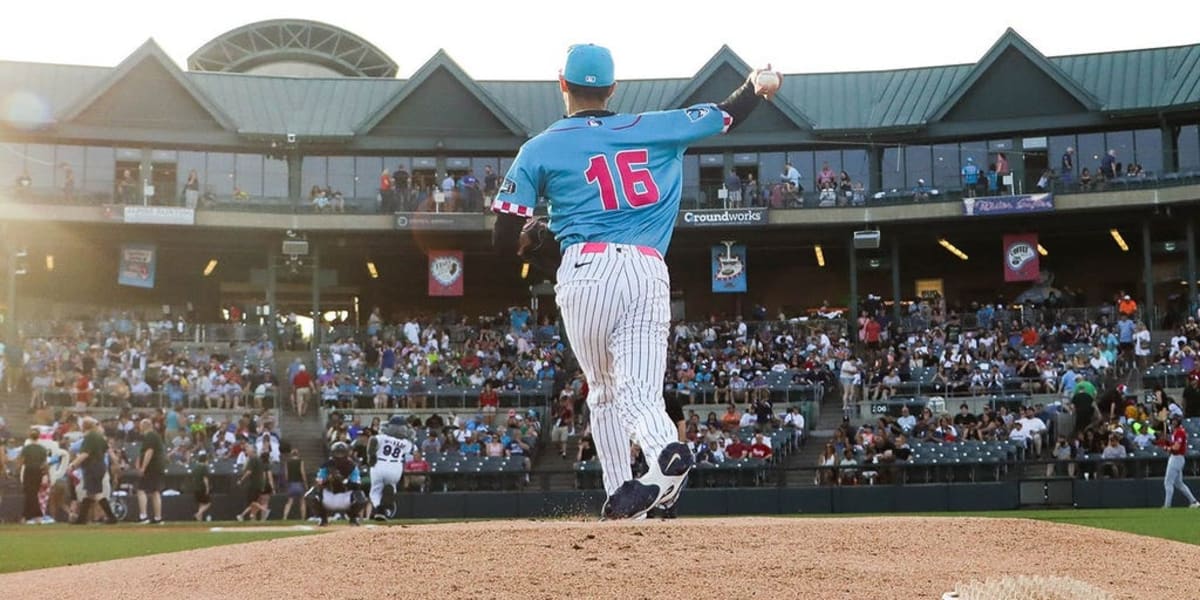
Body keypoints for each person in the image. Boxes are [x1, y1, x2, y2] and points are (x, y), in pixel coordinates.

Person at [491, 43, 778, 520]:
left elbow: (503, 235)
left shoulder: (539, 147)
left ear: (562, 84)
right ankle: (664, 458)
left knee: (602, 392)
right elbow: (728, 114)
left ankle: (621, 492)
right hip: (647, 268)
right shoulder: (657, 126)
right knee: (641, 393)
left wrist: (532, 244)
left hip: (586, 269)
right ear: (612, 89)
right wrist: (756, 84)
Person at [66, 417, 118, 524]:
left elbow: (85, 454)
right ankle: (82, 519)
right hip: (101, 466)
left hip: (92, 467)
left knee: (97, 493)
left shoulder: (89, 438)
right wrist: (115, 463)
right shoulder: (100, 437)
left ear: (84, 427)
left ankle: (111, 517)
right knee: (90, 493)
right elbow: (109, 452)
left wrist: (72, 465)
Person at [306, 441, 366, 526]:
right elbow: (318, 482)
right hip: (329, 496)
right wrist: (328, 479)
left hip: (345, 496)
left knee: (361, 496)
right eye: (337, 453)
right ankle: (323, 519)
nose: (339, 456)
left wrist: (344, 481)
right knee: (310, 495)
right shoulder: (326, 465)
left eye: (341, 453)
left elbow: (357, 485)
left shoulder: (352, 466)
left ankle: (353, 518)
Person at [368, 417, 413, 521]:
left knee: (375, 491)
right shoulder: (405, 442)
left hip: (379, 464)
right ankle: (386, 508)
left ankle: (379, 509)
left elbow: (372, 440)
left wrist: (371, 455)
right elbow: (411, 448)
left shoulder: (383, 437)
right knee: (391, 487)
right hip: (395, 467)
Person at [1161, 415, 1200, 508]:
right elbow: (1173, 445)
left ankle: (1167, 506)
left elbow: (1176, 447)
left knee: (1168, 482)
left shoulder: (1180, 432)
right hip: (1176, 458)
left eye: (1175, 420)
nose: (1173, 422)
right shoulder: (1175, 431)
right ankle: (1194, 502)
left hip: (1177, 458)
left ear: (1178, 422)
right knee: (1179, 483)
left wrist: (1167, 448)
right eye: (1173, 420)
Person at [136, 418, 165, 524]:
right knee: (155, 491)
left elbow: (149, 451)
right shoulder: (154, 436)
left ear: (145, 426)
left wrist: (143, 467)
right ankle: (158, 518)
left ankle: (143, 516)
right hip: (157, 467)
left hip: (151, 468)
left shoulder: (150, 436)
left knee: (141, 490)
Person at [16, 428, 49, 524]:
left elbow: (21, 461)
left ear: (30, 437)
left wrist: (17, 471)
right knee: (33, 493)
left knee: (30, 493)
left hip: (29, 470)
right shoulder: (42, 449)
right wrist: (45, 474)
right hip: (38, 471)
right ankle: (28, 517)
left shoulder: (26, 448)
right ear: (39, 436)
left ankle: (34, 516)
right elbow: (45, 464)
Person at [280, 448, 308, 521]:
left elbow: (286, 474)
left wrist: (287, 483)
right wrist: (305, 483)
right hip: (299, 483)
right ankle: (303, 518)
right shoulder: (300, 461)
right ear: (298, 454)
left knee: (289, 501)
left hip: (291, 484)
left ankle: (284, 517)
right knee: (302, 501)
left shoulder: (287, 462)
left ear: (291, 454)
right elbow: (302, 472)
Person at [191, 450, 212, 521]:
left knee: (201, 504)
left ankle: (199, 519)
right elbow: (205, 478)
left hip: (195, 488)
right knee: (208, 503)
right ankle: (198, 514)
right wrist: (207, 488)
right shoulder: (204, 467)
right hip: (202, 488)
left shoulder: (195, 467)